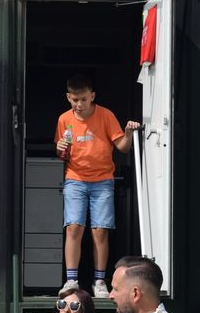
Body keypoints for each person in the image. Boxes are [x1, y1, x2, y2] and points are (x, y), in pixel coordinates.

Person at [55, 73, 140, 298]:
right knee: (73, 227)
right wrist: (61, 148)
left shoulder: (105, 115)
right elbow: (62, 153)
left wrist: (129, 132)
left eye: (83, 99)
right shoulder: (65, 119)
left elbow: (122, 147)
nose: (79, 104)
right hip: (75, 179)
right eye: (75, 100)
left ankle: (99, 281)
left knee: (100, 231)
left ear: (92, 96)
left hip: (102, 180)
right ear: (68, 98)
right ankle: (71, 279)